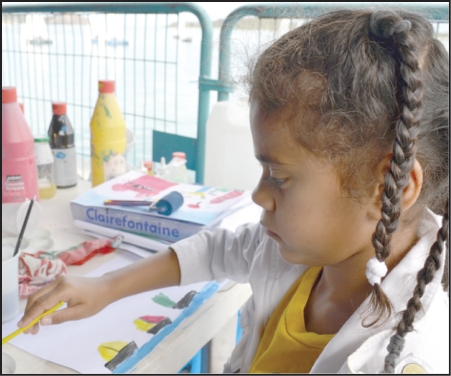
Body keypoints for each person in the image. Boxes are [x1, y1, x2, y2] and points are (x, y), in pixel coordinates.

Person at [18, 8, 449, 374]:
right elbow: (216, 249)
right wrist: (106, 288)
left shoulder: (408, 355)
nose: (260, 196)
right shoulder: (305, 250)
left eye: (278, 177)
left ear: (388, 185)